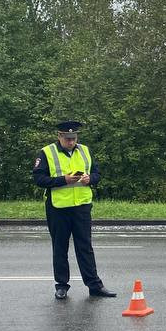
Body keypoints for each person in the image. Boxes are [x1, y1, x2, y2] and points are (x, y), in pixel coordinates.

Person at [32, 120, 116, 300]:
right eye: (67, 138)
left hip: (82, 207)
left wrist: (90, 179)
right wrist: (63, 180)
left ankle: (94, 285)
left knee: (85, 247)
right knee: (60, 248)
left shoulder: (84, 150)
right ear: (59, 136)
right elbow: (39, 179)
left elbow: (97, 174)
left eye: (74, 138)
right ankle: (62, 286)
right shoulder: (47, 152)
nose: (71, 142)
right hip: (58, 208)